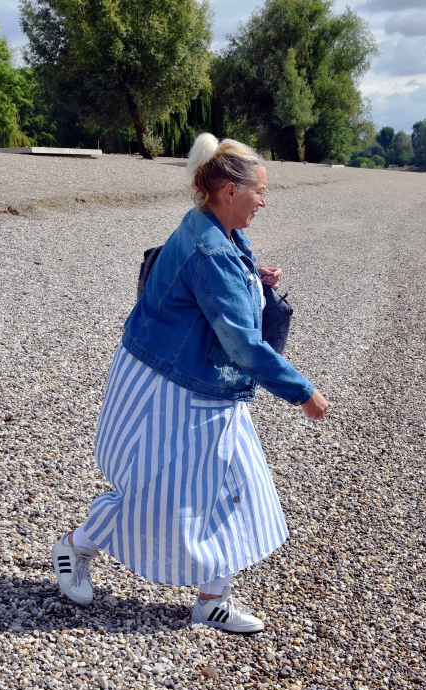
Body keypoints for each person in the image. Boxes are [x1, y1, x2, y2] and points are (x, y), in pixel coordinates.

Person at [52, 133, 329, 634]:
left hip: (202, 382)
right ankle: (75, 547)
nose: (264, 202)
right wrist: (302, 392)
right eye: (260, 192)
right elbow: (243, 345)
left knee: (237, 488)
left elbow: (209, 284)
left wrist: (253, 278)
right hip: (173, 387)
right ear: (229, 190)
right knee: (160, 496)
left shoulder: (213, 227)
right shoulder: (212, 249)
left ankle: (212, 599)